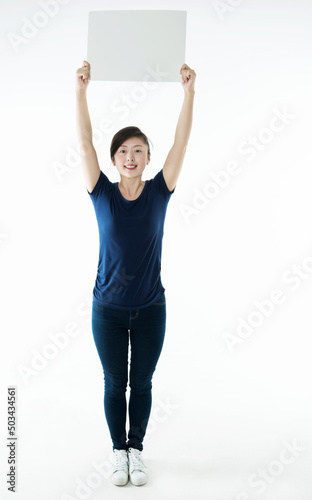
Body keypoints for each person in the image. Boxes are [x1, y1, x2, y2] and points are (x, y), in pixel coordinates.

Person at [75, 59, 196, 487]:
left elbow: (181, 144)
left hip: (150, 309)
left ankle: (137, 450)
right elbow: (85, 143)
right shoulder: (101, 193)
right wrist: (81, 91)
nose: (131, 157)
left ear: (147, 158)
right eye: (124, 151)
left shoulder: (160, 192)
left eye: (138, 150)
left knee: (141, 383)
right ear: (115, 158)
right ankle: (117, 452)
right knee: (113, 384)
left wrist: (189, 94)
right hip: (106, 309)